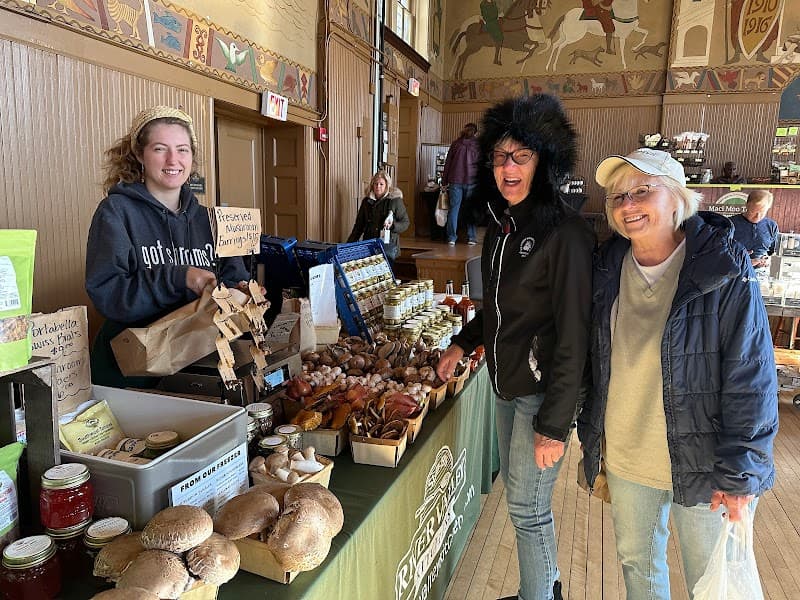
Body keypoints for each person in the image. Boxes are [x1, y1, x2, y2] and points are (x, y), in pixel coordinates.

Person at [578, 148, 778, 598]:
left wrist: (741, 472)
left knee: (709, 580)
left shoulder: (723, 266)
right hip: (630, 453)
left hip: (707, 461)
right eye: (617, 197)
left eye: (642, 192)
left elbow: (752, 374)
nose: (627, 205)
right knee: (638, 567)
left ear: (678, 197)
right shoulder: (607, 267)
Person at [436, 94, 594, 600]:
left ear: (544, 161)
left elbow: (575, 336)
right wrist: (462, 344)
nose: (508, 166)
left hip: (540, 398)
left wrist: (553, 424)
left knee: (528, 509)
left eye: (520, 156)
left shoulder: (566, 233)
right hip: (506, 387)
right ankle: (544, 592)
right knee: (523, 504)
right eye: (500, 155)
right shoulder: (501, 228)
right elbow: (500, 310)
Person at [85, 106, 249, 388]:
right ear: (140, 154)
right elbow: (109, 294)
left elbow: (232, 279)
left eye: (182, 150)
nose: (173, 159)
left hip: (197, 363)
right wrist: (180, 277)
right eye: (160, 149)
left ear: (192, 157)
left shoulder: (209, 220)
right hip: (129, 371)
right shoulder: (116, 212)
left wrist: (240, 289)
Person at [347, 170, 410, 262]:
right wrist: (349, 245)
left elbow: (405, 223)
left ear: (387, 185)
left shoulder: (395, 201)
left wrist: (392, 226)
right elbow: (359, 226)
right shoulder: (367, 202)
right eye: (376, 184)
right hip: (369, 244)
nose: (378, 187)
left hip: (389, 246)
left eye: (381, 184)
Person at [442, 122, 480, 246]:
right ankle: (472, 238)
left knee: (454, 210)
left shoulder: (456, 144)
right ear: (476, 132)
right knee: (471, 209)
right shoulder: (478, 145)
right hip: (472, 181)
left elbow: (447, 163)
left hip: (455, 180)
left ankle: (452, 238)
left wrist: (444, 181)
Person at [730, 189, 779, 271]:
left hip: (761, 274)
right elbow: (720, 254)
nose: (757, 216)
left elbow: (772, 252)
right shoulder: (730, 224)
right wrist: (745, 262)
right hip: (735, 273)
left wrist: (766, 259)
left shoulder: (772, 226)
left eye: (762, 212)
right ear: (746, 205)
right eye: (753, 212)